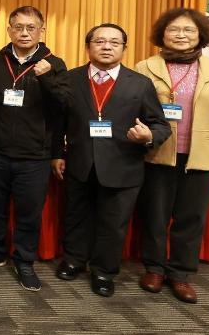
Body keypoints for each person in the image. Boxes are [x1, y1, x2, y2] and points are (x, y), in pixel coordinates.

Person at [52, 23, 171, 298]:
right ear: (88, 46)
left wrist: (149, 136)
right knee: (75, 216)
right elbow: (58, 122)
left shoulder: (140, 84)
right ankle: (73, 260)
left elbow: (160, 124)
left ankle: (104, 271)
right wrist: (57, 153)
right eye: (100, 41)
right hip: (79, 162)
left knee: (113, 223)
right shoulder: (70, 79)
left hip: (123, 165)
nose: (107, 47)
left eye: (114, 43)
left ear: (124, 49)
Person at [134, 8, 209, 304]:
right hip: (156, 155)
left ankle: (180, 273)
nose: (181, 35)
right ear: (162, 34)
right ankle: (154, 269)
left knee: (191, 218)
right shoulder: (145, 67)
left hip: (201, 158)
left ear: (200, 35)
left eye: (188, 30)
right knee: (154, 216)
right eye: (174, 30)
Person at [0, 5, 68, 292]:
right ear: (9, 30)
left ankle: (24, 260)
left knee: (29, 211)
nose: (24, 33)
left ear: (42, 30)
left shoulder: (54, 63)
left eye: (31, 27)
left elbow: (64, 105)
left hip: (35, 154)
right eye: (18, 27)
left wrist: (46, 78)